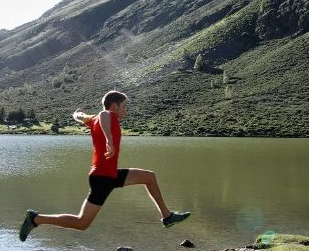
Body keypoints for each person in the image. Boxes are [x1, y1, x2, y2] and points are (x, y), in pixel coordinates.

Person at [19, 90, 190, 241]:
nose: (126, 110)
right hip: (102, 177)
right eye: (124, 106)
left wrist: (77, 114)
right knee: (81, 223)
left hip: (111, 175)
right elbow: (104, 115)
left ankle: (167, 217)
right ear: (114, 106)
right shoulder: (107, 116)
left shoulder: (93, 120)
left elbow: (81, 117)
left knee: (149, 177)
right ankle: (36, 219)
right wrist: (109, 139)